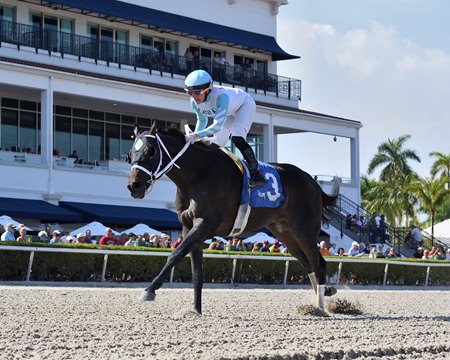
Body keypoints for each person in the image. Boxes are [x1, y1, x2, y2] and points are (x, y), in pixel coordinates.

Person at [183, 69, 266, 187]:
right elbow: (202, 120)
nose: (194, 96)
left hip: (244, 105)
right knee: (215, 144)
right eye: (190, 93)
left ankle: (257, 174)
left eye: (198, 92)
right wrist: (195, 138)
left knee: (237, 138)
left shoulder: (221, 97)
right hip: (230, 111)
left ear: (207, 90)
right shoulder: (193, 101)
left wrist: (196, 136)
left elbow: (216, 126)